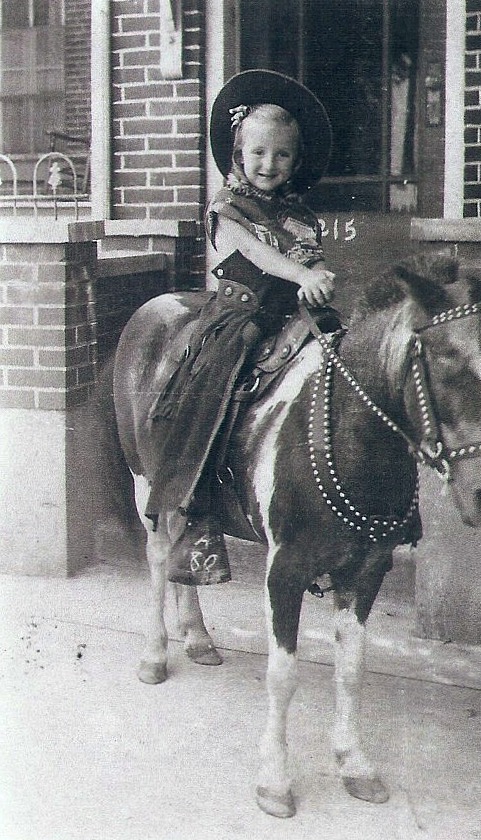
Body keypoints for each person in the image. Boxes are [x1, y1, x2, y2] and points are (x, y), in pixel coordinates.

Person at [146, 70, 338, 585]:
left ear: (295, 162)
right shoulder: (227, 208)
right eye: (258, 153)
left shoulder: (300, 216)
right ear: (238, 154)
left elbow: (306, 260)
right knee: (214, 384)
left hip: (293, 316)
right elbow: (257, 255)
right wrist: (301, 273)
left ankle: (318, 512)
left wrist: (318, 283)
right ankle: (194, 498)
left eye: (281, 156)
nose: (268, 165)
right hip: (241, 313)